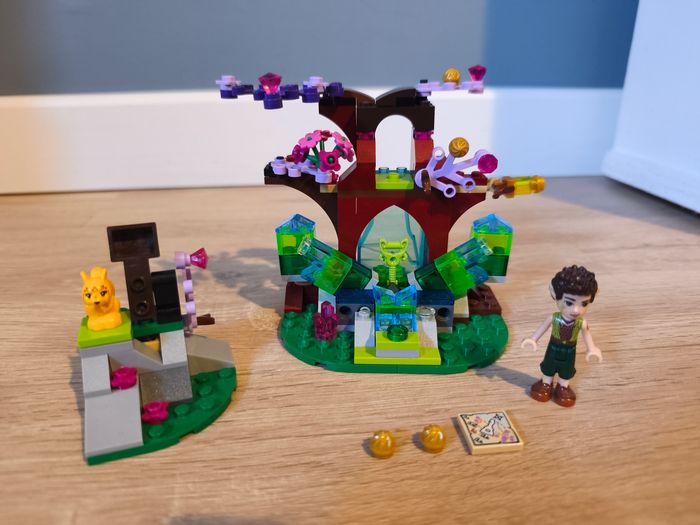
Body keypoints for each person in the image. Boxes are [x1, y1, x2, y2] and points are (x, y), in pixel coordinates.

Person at [521, 265, 602, 407]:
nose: (576, 310)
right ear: (554, 294)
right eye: (569, 302)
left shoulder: (581, 323)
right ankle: (546, 383)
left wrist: (592, 349)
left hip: (570, 350)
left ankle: (563, 387)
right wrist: (533, 339)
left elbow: (587, 336)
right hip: (553, 347)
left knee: (567, 370)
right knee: (548, 366)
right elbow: (542, 329)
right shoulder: (554, 318)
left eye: (584, 304)